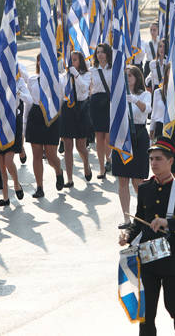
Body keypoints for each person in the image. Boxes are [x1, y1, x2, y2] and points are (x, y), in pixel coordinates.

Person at [118, 136, 175, 336]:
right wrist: (128, 235)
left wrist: (169, 223)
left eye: (158, 159)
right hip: (148, 260)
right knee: (146, 313)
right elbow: (139, 219)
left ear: (170, 161)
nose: (154, 163)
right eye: (151, 159)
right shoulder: (145, 187)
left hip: (172, 258)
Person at [113, 65, 152, 226]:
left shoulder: (145, 94)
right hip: (122, 136)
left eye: (130, 75)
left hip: (139, 135)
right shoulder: (118, 95)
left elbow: (147, 110)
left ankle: (144, 215)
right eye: (125, 75)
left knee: (137, 180)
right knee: (122, 179)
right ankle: (126, 217)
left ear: (137, 78)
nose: (127, 78)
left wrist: (135, 100)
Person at [25, 55, 65, 198]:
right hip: (35, 116)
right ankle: (39, 187)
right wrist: (25, 124)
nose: (43, 62)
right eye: (40, 59)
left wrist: (55, 116)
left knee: (50, 154)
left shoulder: (59, 79)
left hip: (52, 115)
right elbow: (29, 102)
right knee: (36, 154)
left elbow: (61, 98)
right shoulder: (32, 79)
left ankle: (58, 171)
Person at [0, 69, 32, 206]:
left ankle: (16, 184)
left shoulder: (19, 81)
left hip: (13, 121)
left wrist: (17, 92)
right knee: (1, 165)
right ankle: (5, 198)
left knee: (8, 161)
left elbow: (29, 99)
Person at [60, 51, 94, 188]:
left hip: (81, 109)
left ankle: (86, 164)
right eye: (70, 60)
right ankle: (69, 178)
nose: (72, 63)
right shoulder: (64, 76)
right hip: (68, 110)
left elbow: (84, 87)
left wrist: (76, 74)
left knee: (80, 146)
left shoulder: (86, 74)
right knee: (68, 146)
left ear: (80, 61)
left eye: (74, 60)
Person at [151, 64, 175, 177]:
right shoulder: (158, 92)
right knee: (161, 162)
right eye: (170, 72)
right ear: (166, 73)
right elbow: (154, 112)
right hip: (162, 128)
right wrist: (152, 128)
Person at [90, 43, 112, 179]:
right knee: (99, 136)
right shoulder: (92, 70)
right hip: (96, 102)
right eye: (98, 52)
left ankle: (109, 159)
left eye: (102, 52)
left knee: (108, 135)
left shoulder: (113, 69)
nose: (100, 55)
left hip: (109, 101)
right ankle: (101, 167)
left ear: (107, 53)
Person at [142, 22, 161, 89]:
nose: (152, 32)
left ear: (158, 31)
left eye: (154, 30)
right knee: (148, 86)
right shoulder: (147, 43)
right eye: (151, 30)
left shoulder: (161, 43)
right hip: (148, 65)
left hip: (158, 64)